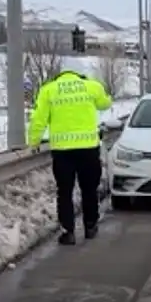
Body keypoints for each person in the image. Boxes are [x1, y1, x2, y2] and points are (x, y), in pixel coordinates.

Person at [28, 68, 113, 245]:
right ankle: (90, 226)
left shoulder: (48, 90)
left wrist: (34, 142)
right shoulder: (91, 86)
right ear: (78, 77)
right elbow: (105, 104)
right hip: (88, 148)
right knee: (89, 189)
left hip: (62, 151)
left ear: (58, 78)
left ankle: (68, 232)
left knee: (64, 192)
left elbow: (39, 119)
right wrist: (106, 94)